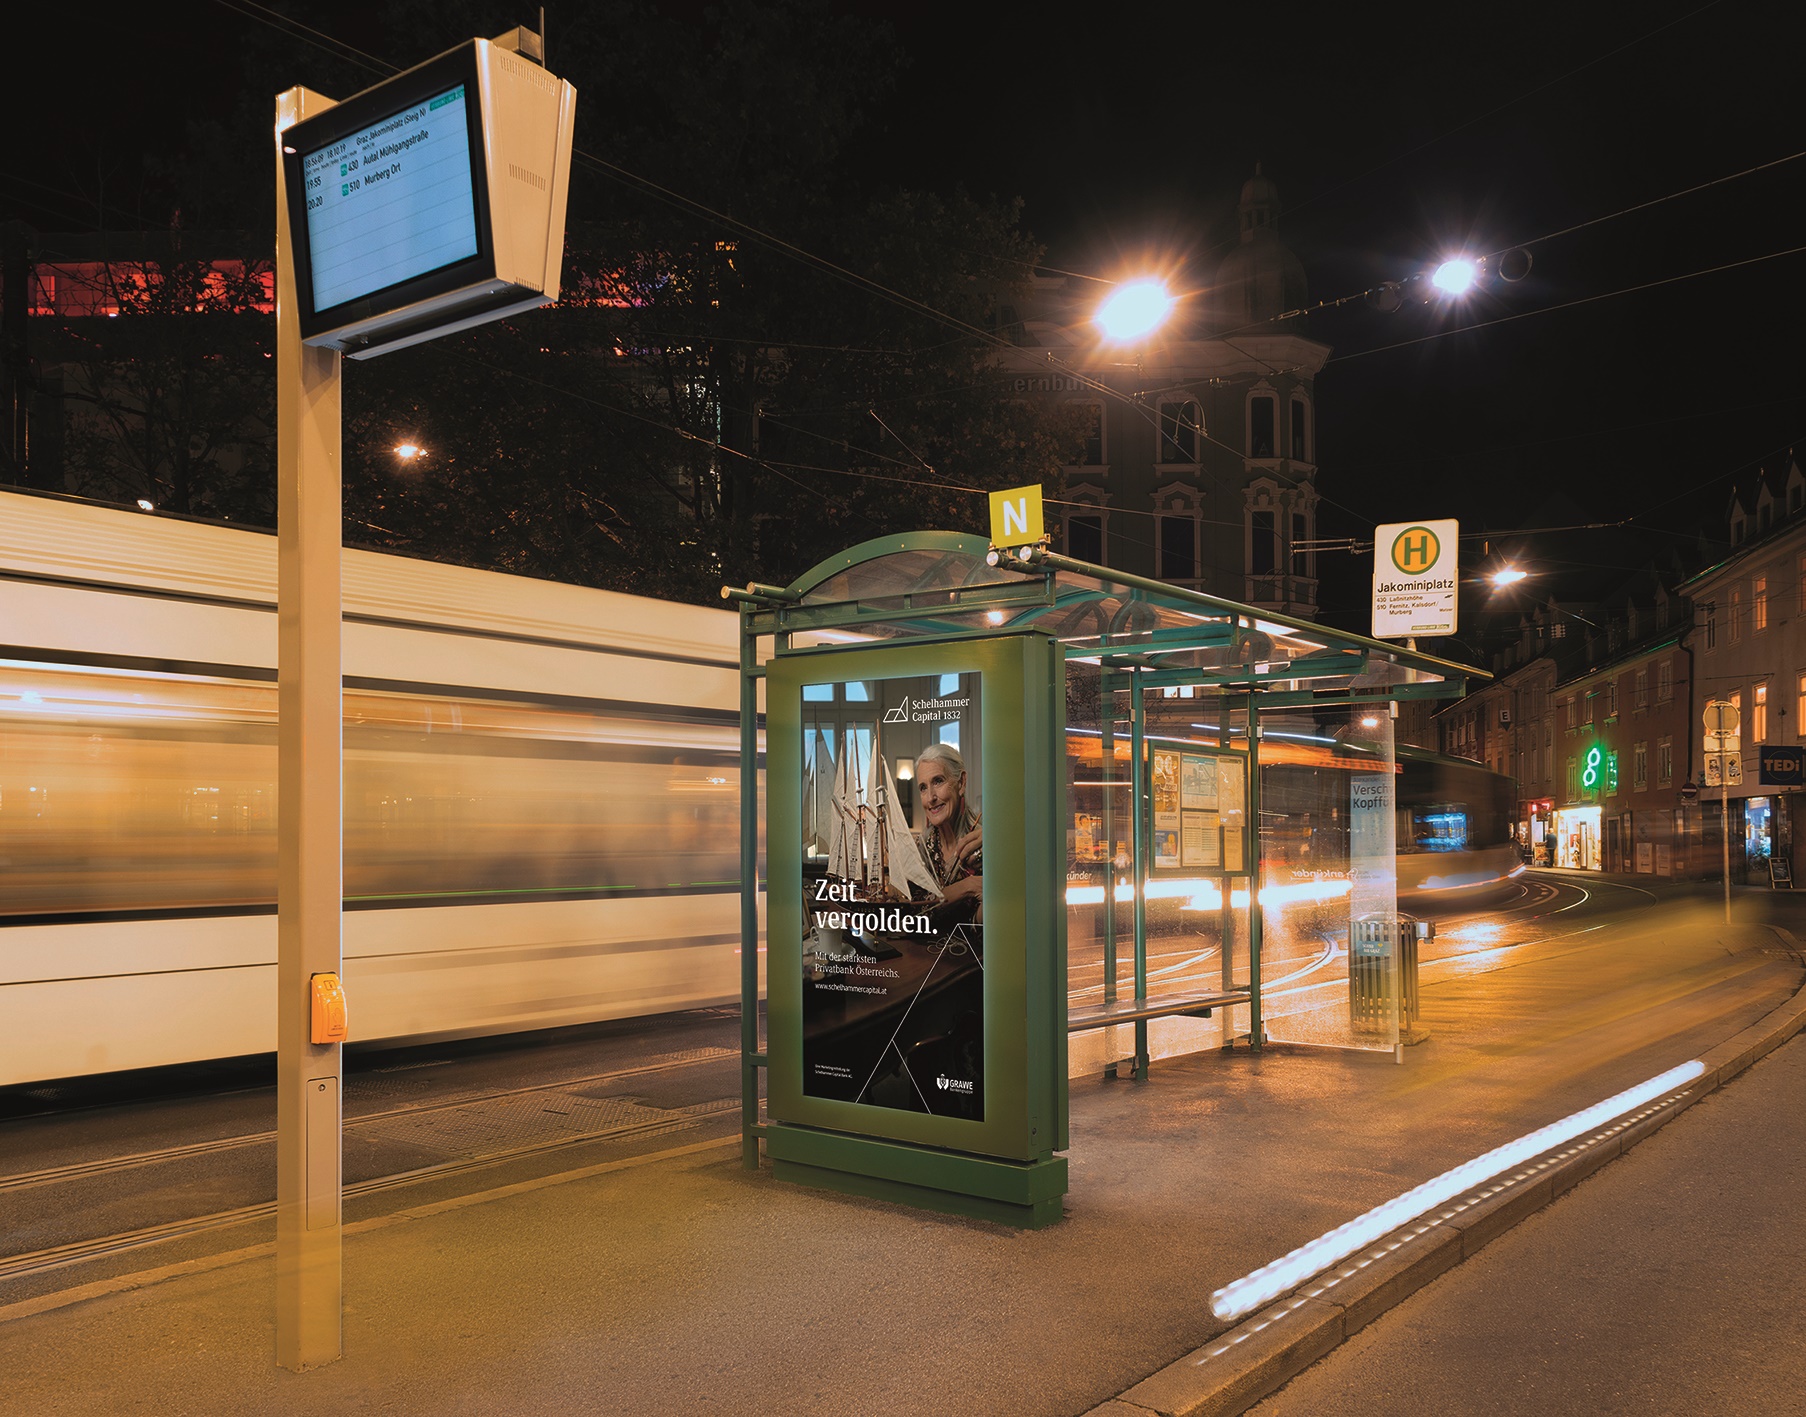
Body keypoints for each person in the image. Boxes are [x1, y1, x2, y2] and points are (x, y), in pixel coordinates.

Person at [916, 741, 981, 919]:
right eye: (923, 788)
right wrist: (968, 886)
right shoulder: (921, 849)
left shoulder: (983, 841)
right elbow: (913, 911)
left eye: (938, 781)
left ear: (961, 783)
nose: (931, 798)